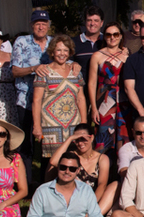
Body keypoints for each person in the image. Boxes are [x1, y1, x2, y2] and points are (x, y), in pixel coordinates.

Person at [32, 35, 87, 170]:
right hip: (51, 126)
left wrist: (84, 124)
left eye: (65, 50)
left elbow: (80, 98)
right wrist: (37, 126)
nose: (62, 54)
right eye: (58, 50)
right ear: (52, 52)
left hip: (73, 124)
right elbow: (36, 100)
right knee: (51, 163)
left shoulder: (75, 71)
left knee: (73, 160)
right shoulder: (44, 72)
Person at [11, 9, 53, 159]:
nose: (41, 27)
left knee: (47, 142)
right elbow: (15, 71)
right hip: (25, 99)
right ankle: (25, 180)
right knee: (25, 141)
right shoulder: (21, 42)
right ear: (31, 25)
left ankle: (44, 179)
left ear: (48, 25)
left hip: (48, 100)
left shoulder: (53, 43)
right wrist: (33, 69)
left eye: (43, 24)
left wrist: (73, 64)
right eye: (37, 24)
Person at [49, 124, 116, 217]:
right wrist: (70, 139)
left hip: (94, 199)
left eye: (83, 139)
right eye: (77, 140)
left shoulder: (102, 158)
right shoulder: (72, 156)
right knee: (51, 168)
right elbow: (53, 162)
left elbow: (102, 184)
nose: (80, 143)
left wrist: (90, 204)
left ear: (91, 138)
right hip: (73, 199)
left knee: (116, 185)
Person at [87, 21, 128, 154]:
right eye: (109, 34)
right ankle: (103, 171)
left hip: (123, 101)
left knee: (123, 138)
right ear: (104, 37)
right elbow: (92, 83)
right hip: (104, 102)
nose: (112, 37)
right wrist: (93, 108)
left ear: (121, 36)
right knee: (104, 138)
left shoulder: (127, 55)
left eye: (115, 34)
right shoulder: (97, 56)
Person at [73, 6, 104, 72]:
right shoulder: (74, 42)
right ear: (85, 22)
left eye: (96, 21)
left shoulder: (107, 41)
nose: (92, 24)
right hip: (80, 82)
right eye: (89, 20)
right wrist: (71, 63)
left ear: (101, 23)